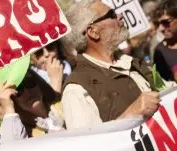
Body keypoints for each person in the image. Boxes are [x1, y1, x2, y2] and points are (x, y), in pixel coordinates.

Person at [62, 0, 160, 130]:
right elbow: (87, 146)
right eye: (112, 15)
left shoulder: (133, 62)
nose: (120, 16)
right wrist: (130, 116)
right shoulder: (76, 90)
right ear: (93, 32)